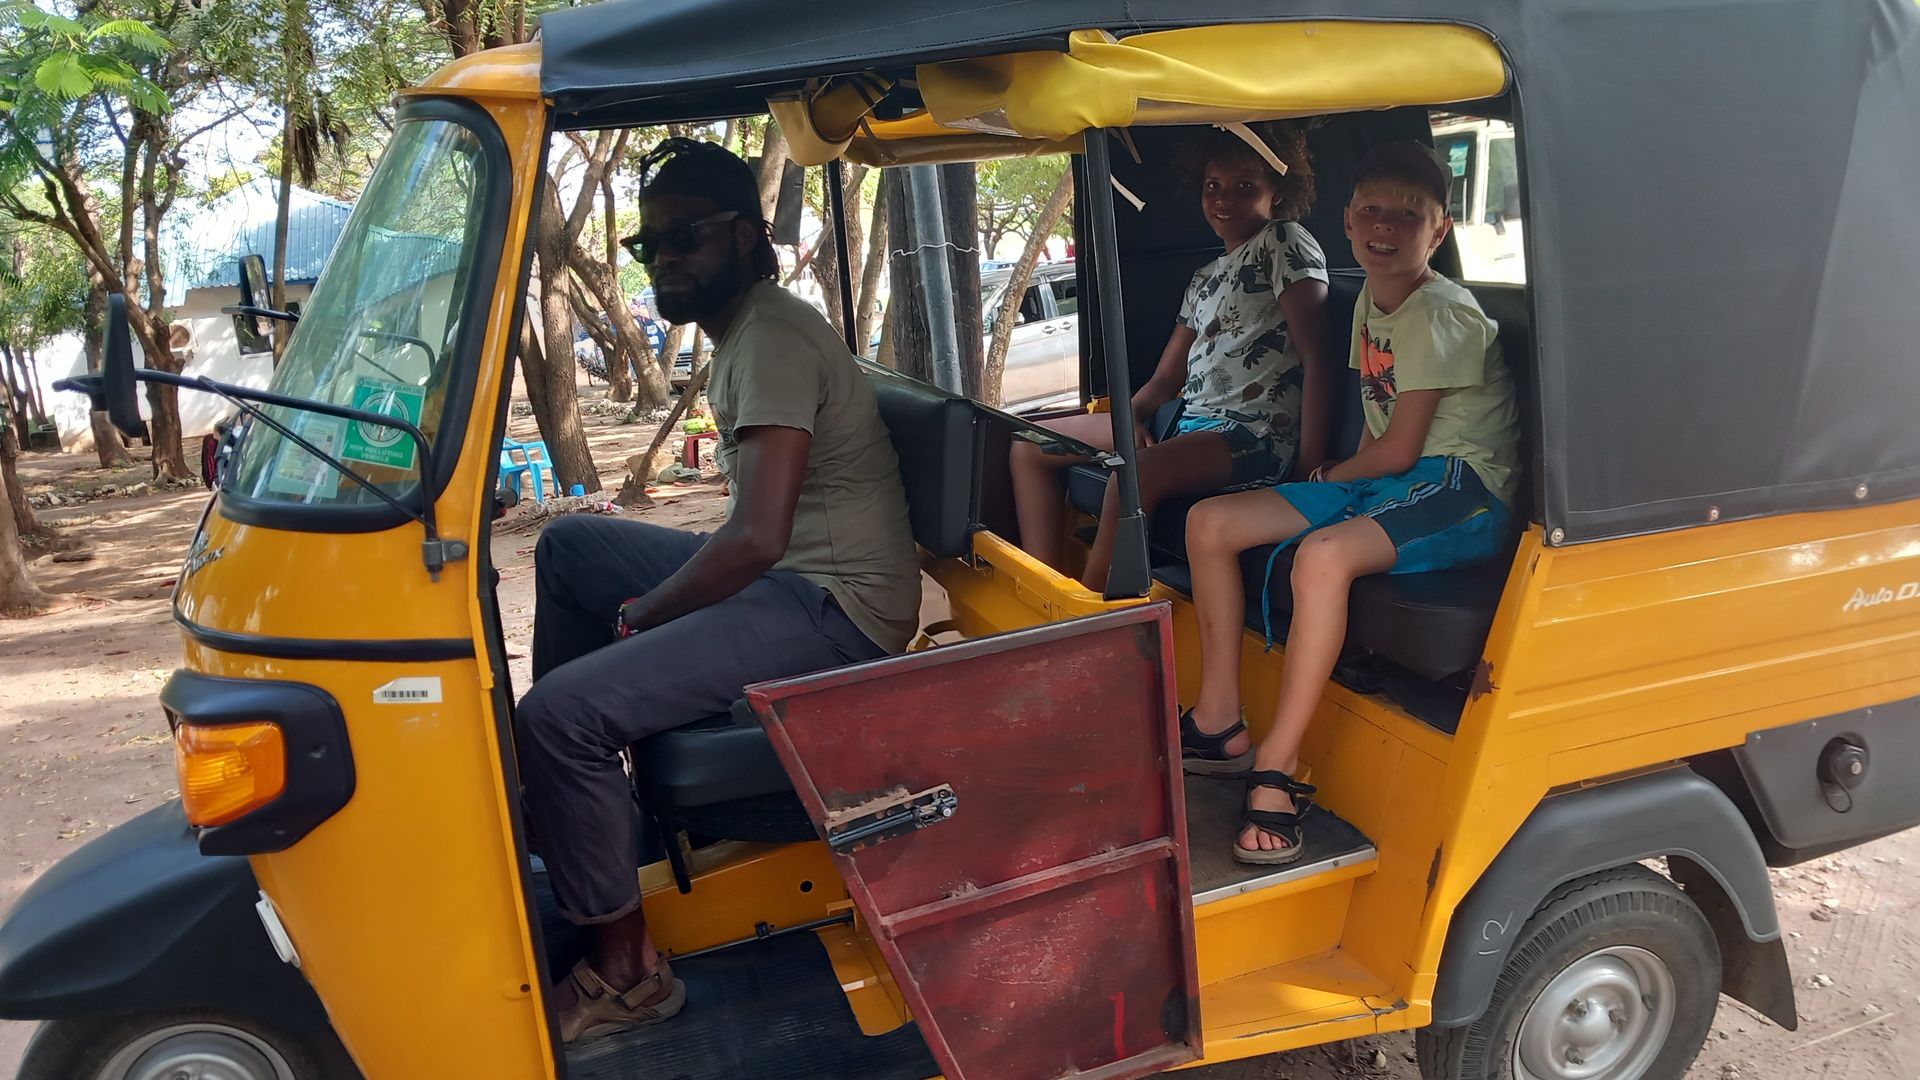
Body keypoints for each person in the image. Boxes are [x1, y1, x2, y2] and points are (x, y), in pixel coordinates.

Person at [515, 138, 921, 1042]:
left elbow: (755, 538)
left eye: (684, 238)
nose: (664, 258)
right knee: (572, 545)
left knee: (557, 716)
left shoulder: (769, 339)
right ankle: (591, 824)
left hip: (833, 605)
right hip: (788, 578)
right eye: (649, 245)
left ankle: (626, 971)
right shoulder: (745, 330)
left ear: (744, 235)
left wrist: (644, 618)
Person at [1179, 142, 1520, 864]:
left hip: (1462, 488)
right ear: (1347, 219)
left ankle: (1276, 770)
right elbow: (1376, 420)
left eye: (1408, 214)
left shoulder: (1440, 311)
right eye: (1371, 210)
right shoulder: (1371, 294)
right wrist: (1335, 480)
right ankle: (1218, 722)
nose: (1385, 226)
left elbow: (1400, 452)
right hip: (1393, 479)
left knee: (1322, 557)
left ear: (1440, 231)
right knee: (1209, 523)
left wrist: (1331, 480)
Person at [1009, 123, 1335, 592]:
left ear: (1277, 193)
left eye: (1245, 187)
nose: (1224, 199)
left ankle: (1087, 613)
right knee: (1029, 444)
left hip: (1251, 436)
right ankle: (1045, 593)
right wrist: (1132, 418)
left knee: (1134, 474)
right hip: (1187, 423)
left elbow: (1318, 357)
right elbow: (1165, 380)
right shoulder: (1203, 278)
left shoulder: (1283, 243)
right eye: (1212, 187)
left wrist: (1308, 469)